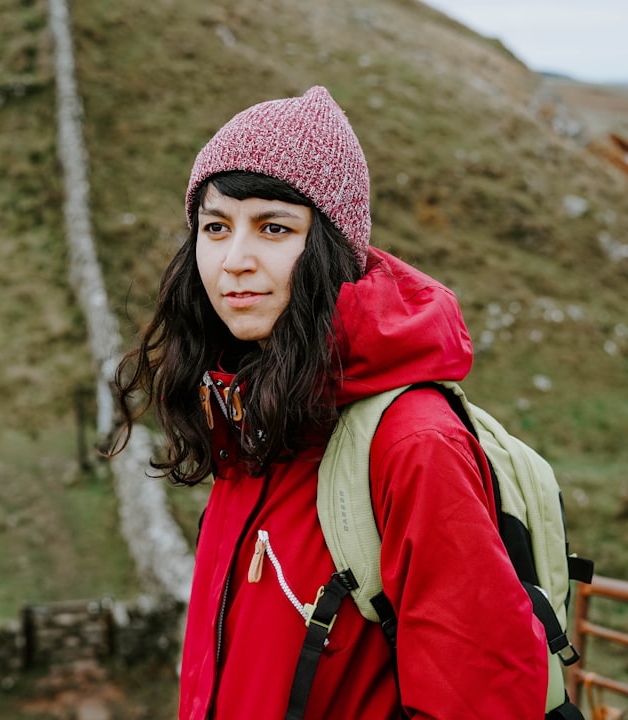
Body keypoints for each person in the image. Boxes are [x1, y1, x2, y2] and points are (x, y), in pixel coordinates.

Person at [114, 86, 548, 720]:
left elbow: (484, 699)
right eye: (215, 227)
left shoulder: (413, 444)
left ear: (330, 250)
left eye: (273, 227)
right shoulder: (252, 421)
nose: (234, 261)